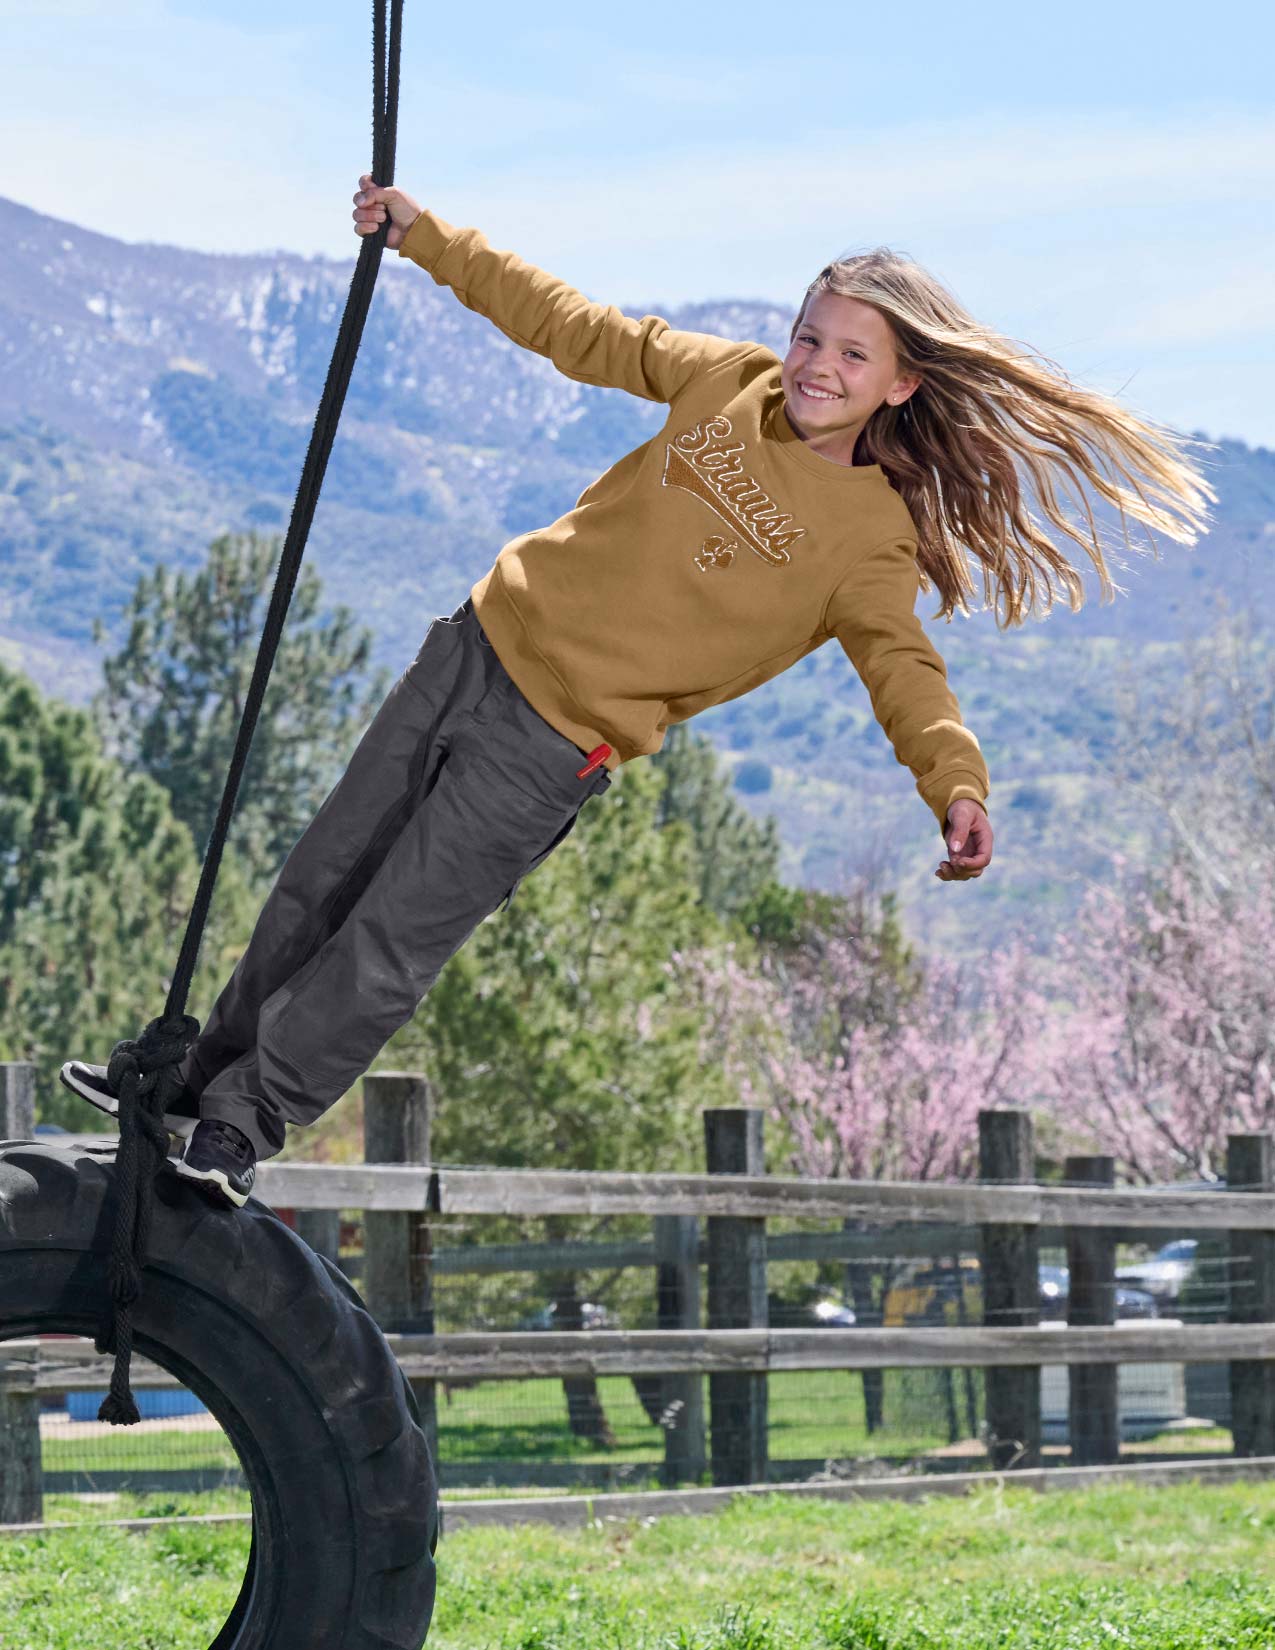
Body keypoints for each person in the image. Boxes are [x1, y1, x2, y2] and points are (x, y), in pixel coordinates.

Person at [62, 173, 1215, 1208]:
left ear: (903, 385)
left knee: (385, 943)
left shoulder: (872, 542)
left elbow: (905, 671)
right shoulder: (728, 380)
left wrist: (953, 781)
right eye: (810, 336)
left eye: (852, 356)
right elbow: (576, 328)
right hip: (472, 646)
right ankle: (187, 1091)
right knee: (317, 887)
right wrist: (429, 237)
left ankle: (240, 1127)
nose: (816, 365)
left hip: (552, 749)